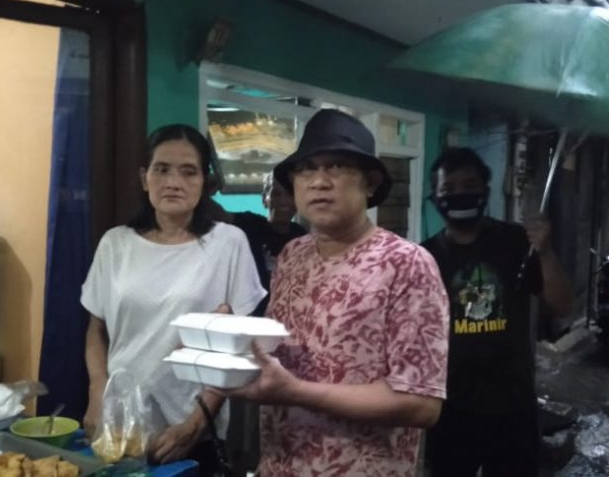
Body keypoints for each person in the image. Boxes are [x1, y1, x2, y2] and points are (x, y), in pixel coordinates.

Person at [227, 109, 450, 476]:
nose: (319, 181)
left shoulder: (406, 263)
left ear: (370, 184)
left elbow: (421, 403)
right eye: (306, 169)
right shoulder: (292, 255)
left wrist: (294, 392)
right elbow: (280, 355)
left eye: (336, 166)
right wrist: (226, 338)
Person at [80, 124, 266, 475]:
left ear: (204, 181)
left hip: (191, 425)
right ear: (144, 177)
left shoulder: (228, 244)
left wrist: (197, 422)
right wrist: (96, 390)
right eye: (162, 169)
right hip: (121, 423)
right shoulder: (115, 244)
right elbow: (96, 330)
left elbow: (238, 347)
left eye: (188, 171)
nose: (173, 182)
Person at [421, 147, 573, 477]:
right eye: (449, 189)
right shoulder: (424, 257)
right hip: (450, 409)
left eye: (469, 186)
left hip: (512, 408)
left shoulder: (518, 242)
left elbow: (562, 305)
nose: (459, 195)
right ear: (435, 197)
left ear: (485, 191)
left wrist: (546, 252)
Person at [228, 173, 307, 315]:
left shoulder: (302, 236)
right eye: (276, 194)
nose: (284, 201)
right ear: (265, 199)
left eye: (290, 194)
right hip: (251, 314)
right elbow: (215, 214)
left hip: (289, 313)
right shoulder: (250, 224)